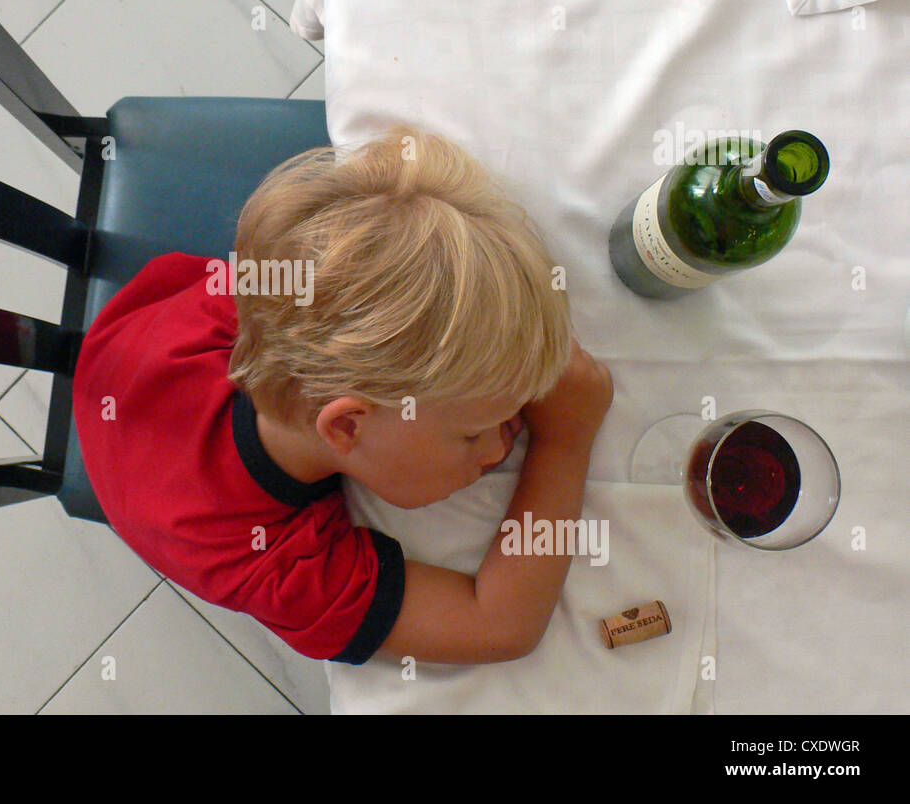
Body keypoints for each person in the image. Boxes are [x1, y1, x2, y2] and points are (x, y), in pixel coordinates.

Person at [72, 125, 613, 665]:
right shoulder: (275, 566)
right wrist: (565, 442)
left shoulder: (277, 292)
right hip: (130, 433)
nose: (502, 445)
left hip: (135, 339)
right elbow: (498, 626)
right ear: (347, 427)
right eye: (472, 434)